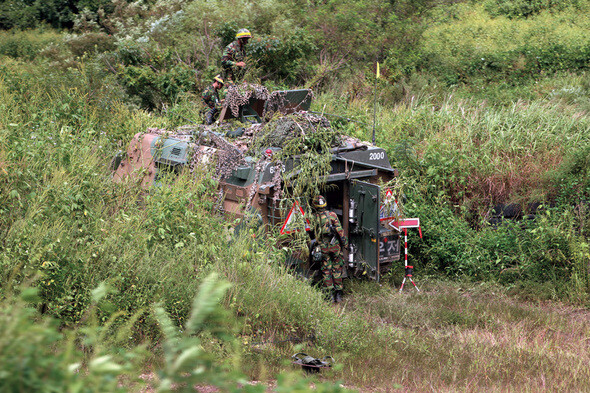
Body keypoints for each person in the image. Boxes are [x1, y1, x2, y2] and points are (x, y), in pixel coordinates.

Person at [312, 195, 347, 303]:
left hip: (323, 247)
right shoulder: (332, 215)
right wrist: (345, 244)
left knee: (326, 270)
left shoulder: (313, 218)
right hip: (335, 245)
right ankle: (338, 294)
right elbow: (340, 231)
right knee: (337, 269)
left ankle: (330, 295)